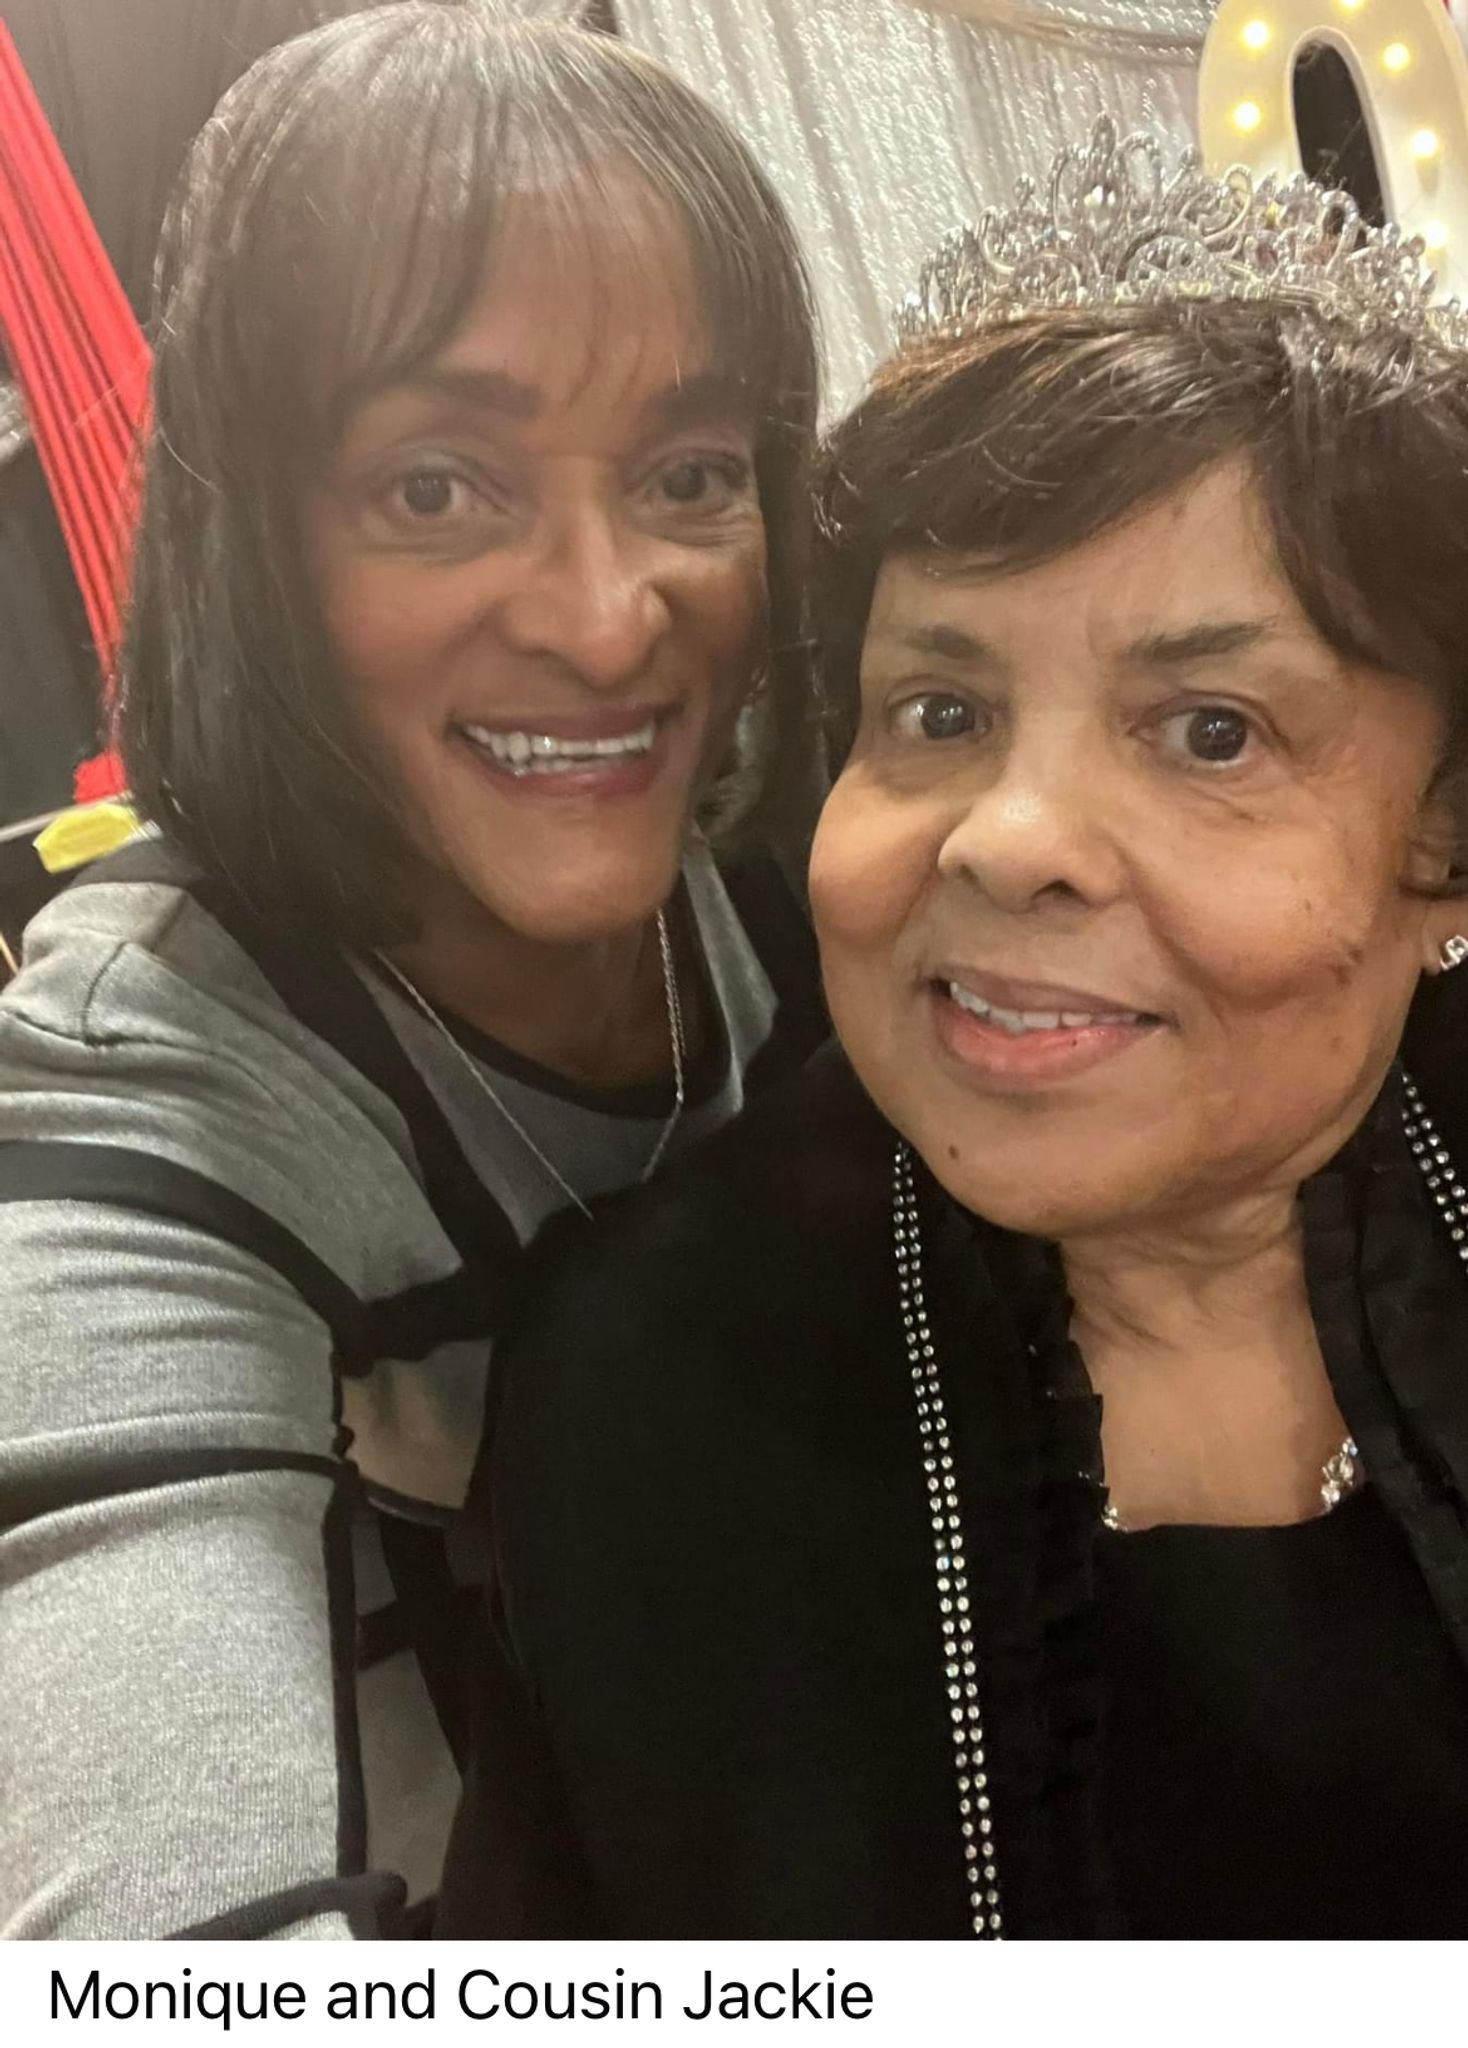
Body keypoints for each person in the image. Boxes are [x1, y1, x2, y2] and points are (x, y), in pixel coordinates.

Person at [440, 124, 1468, 1939]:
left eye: (1211, 731)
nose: (1004, 838)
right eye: (936, 711)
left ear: (1441, 845)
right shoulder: (646, 1392)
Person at [0, 2, 824, 1940]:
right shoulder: (149, 1100)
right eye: (437, 487)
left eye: (687, 471)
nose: (608, 619)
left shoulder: (840, 845)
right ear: (251, 539)